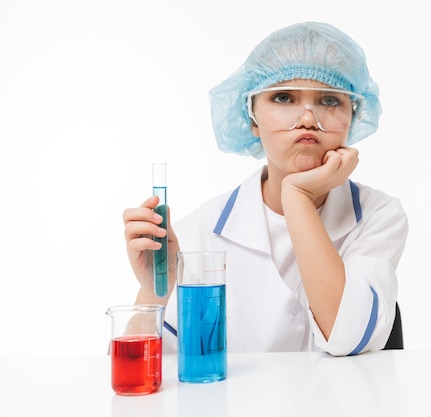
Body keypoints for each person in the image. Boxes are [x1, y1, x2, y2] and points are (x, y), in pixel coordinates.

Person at [122, 21, 409, 356]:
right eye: (283, 97)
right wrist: (154, 292)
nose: (307, 119)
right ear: (252, 118)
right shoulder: (197, 233)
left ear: (354, 115)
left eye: (330, 100)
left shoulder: (378, 215)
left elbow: (348, 335)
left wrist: (297, 197)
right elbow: (147, 377)